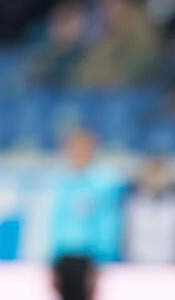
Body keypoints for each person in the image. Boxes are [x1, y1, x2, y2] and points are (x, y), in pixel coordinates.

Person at [50, 128, 126, 300]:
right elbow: (57, 223)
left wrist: (101, 260)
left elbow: (108, 223)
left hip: (88, 257)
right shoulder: (63, 181)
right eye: (73, 147)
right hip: (64, 256)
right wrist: (54, 259)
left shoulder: (105, 181)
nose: (77, 152)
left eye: (82, 146)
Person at [124, 158, 175, 264]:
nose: (157, 180)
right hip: (137, 263)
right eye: (153, 175)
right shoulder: (132, 203)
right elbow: (129, 237)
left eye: (161, 175)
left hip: (170, 263)